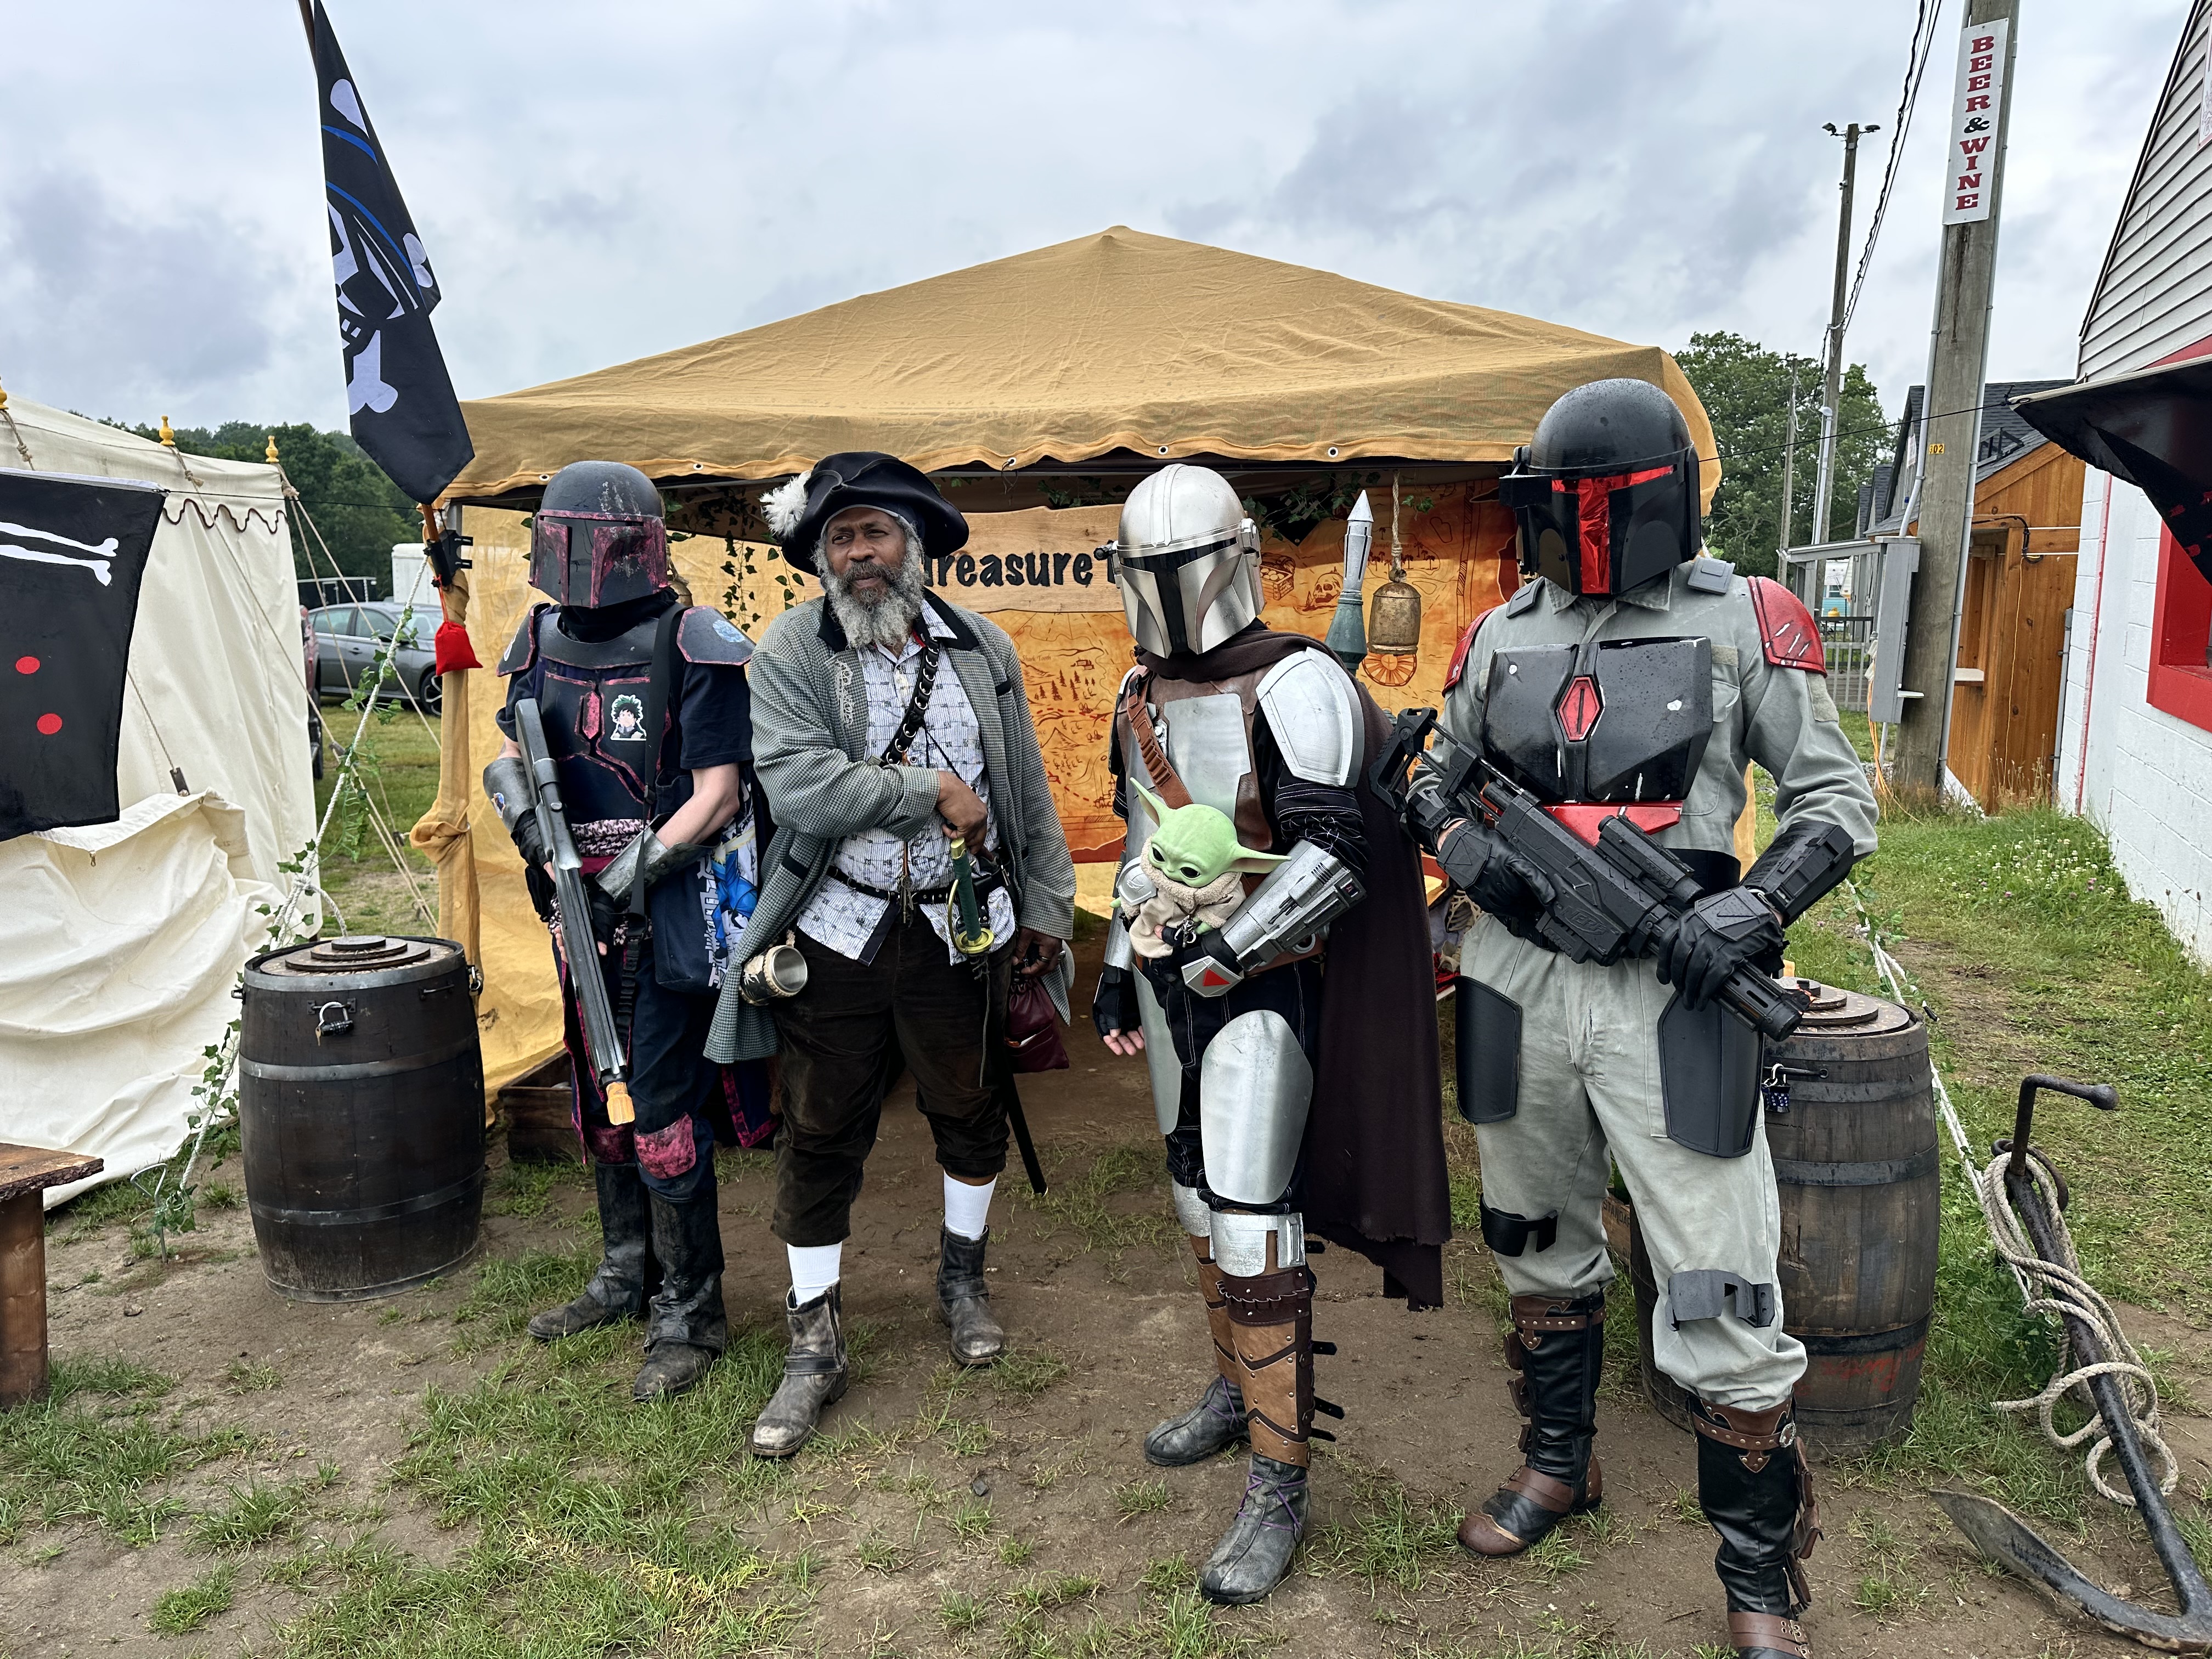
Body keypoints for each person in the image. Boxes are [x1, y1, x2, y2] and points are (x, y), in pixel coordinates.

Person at [1405, 380, 1878, 1659]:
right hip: (1512, 977)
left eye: (1611, 503)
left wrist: (1757, 905)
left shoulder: (1748, 616)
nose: (1593, 527)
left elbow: (1837, 798)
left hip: (1675, 988)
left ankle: (1759, 1573)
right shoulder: (1498, 633)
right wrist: (1461, 843)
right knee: (1531, 1226)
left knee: (1719, 1271)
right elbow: (1437, 776)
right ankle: (1560, 1462)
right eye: (1570, 507)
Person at [1090, 463, 1449, 1606]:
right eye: (1141, 574)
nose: (1162, 593)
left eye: (1174, 569)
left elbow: (1335, 855)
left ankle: (1279, 1478)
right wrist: (1114, 972)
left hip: (1265, 983)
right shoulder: (1138, 694)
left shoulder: (1297, 685)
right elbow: (1148, 849)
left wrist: (1233, 952)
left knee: (1253, 1224)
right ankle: (1233, 1390)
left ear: (1230, 562)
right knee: (1196, 1201)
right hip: (1171, 972)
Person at [702, 451, 1077, 1459]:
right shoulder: (790, 649)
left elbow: (1025, 789)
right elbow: (803, 788)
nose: (859, 554)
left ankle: (963, 1279)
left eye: (874, 533)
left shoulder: (981, 646)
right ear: (821, 556)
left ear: (913, 544)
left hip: (962, 931)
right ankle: (813, 1342)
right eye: (840, 537)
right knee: (821, 1129)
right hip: (837, 928)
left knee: (970, 1105)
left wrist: (1046, 902)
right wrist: (931, 793)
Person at [481, 459, 763, 1403]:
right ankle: (625, 1272)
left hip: (666, 915)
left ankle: (693, 1309)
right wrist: (535, 835)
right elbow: (515, 755)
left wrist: (630, 877)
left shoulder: (695, 642)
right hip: (574, 913)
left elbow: (719, 793)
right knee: (601, 1105)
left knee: (661, 1110)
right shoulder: (534, 635)